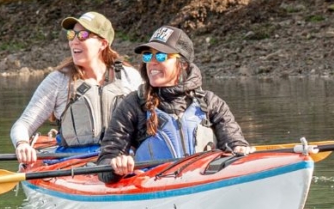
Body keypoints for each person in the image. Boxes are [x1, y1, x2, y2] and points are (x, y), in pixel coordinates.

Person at [97, 25, 254, 180]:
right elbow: (106, 160)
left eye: (160, 56)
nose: (151, 62)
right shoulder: (133, 105)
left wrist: (239, 148)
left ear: (183, 64)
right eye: (147, 56)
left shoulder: (211, 103)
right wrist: (116, 164)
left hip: (203, 182)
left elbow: (235, 143)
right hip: (155, 190)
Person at [11, 11, 143, 163]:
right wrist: (22, 144)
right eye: (71, 35)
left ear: (103, 43)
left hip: (121, 159)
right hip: (73, 162)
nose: (74, 41)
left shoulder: (130, 77)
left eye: (83, 35)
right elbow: (23, 124)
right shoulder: (58, 80)